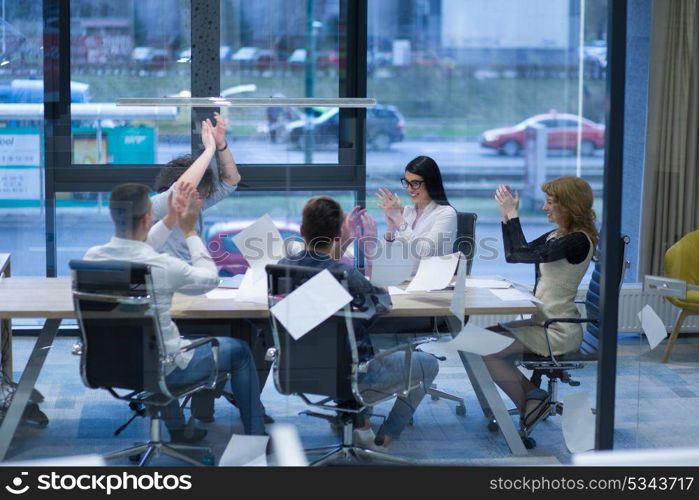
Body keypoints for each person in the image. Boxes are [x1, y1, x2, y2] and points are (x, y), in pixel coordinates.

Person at [84, 182, 266, 443]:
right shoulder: (164, 266)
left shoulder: (92, 259)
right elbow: (208, 280)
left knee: (151, 348)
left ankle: (178, 430)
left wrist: (170, 219)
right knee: (240, 351)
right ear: (148, 218)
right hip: (165, 368)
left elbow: (137, 247)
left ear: (113, 215)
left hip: (111, 363)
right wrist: (190, 231)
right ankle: (256, 437)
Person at [278, 196, 439, 451]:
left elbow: (321, 266)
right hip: (353, 374)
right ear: (337, 234)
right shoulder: (347, 275)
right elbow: (383, 304)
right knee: (428, 364)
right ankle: (381, 437)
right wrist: (371, 249)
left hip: (300, 371)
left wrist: (344, 240)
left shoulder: (282, 268)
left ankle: (351, 417)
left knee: (349, 344)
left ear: (301, 231)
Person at [486, 176, 597, 430]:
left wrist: (513, 214)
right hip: (544, 323)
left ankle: (530, 400)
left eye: (550, 203)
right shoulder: (559, 235)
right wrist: (507, 214)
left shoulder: (577, 240)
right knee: (481, 338)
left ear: (569, 206)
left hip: (557, 331)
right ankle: (534, 397)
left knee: (488, 349)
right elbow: (515, 254)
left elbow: (521, 254)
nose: (545, 207)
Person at [151, 112, 241, 262]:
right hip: (167, 278)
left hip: (193, 275)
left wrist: (221, 145)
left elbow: (232, 180)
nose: (202, 201)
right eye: (198, 195)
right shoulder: (159, 205)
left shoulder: (196, 206)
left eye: (205, 195)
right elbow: (180, 189)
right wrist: (209, 150)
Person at [373, 155, 457, 259]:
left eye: (415, 183)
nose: (410, 189)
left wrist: (398, 219)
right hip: (404, 274)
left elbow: (423, 252)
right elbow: (385, 257)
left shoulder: (446, 213)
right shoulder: (407, 211)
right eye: (407, 183)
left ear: (431, 182)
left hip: (431, 274)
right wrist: (391, 227)